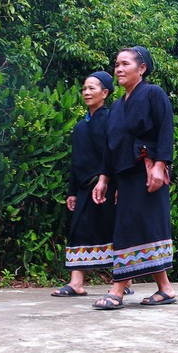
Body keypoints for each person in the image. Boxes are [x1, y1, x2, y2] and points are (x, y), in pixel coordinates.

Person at [91, 46, 176, 310]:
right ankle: (165, 288)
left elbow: (165, 130)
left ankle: (118, 288)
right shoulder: (116, 106)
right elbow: (111, 145)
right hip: (126, 177)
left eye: (125, 64)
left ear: (142, 68)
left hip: (149, 172)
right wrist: (104, 179)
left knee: (134, 228)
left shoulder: (153, 94)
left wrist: (160, 166)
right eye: (116, 64)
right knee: (137, 228)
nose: (118, 69)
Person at [52, 71, 132, 297]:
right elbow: (76, 160)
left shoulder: (111, 120)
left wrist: (116, 185)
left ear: (105, 93)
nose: (86, 93)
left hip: (108, 187)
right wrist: (72, 192)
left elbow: (117, 153)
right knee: (77, 230)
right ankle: (76, 282)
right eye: (84, 89)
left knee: (116, 232)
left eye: (92, 88)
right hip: (84, 188)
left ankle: (124, 282)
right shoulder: (80, 126)